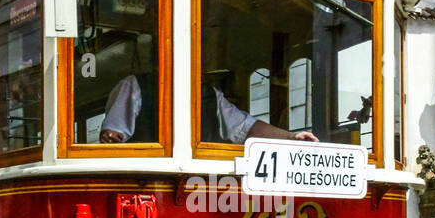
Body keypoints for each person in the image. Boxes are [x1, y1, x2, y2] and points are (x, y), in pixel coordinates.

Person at [99, 74, 318, 144]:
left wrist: (292, 137)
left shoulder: (209, 94)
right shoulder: (135, 85)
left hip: (203, 188)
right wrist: (112, 137)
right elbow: (114, 135)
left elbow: (246, 127)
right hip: (144, 187)